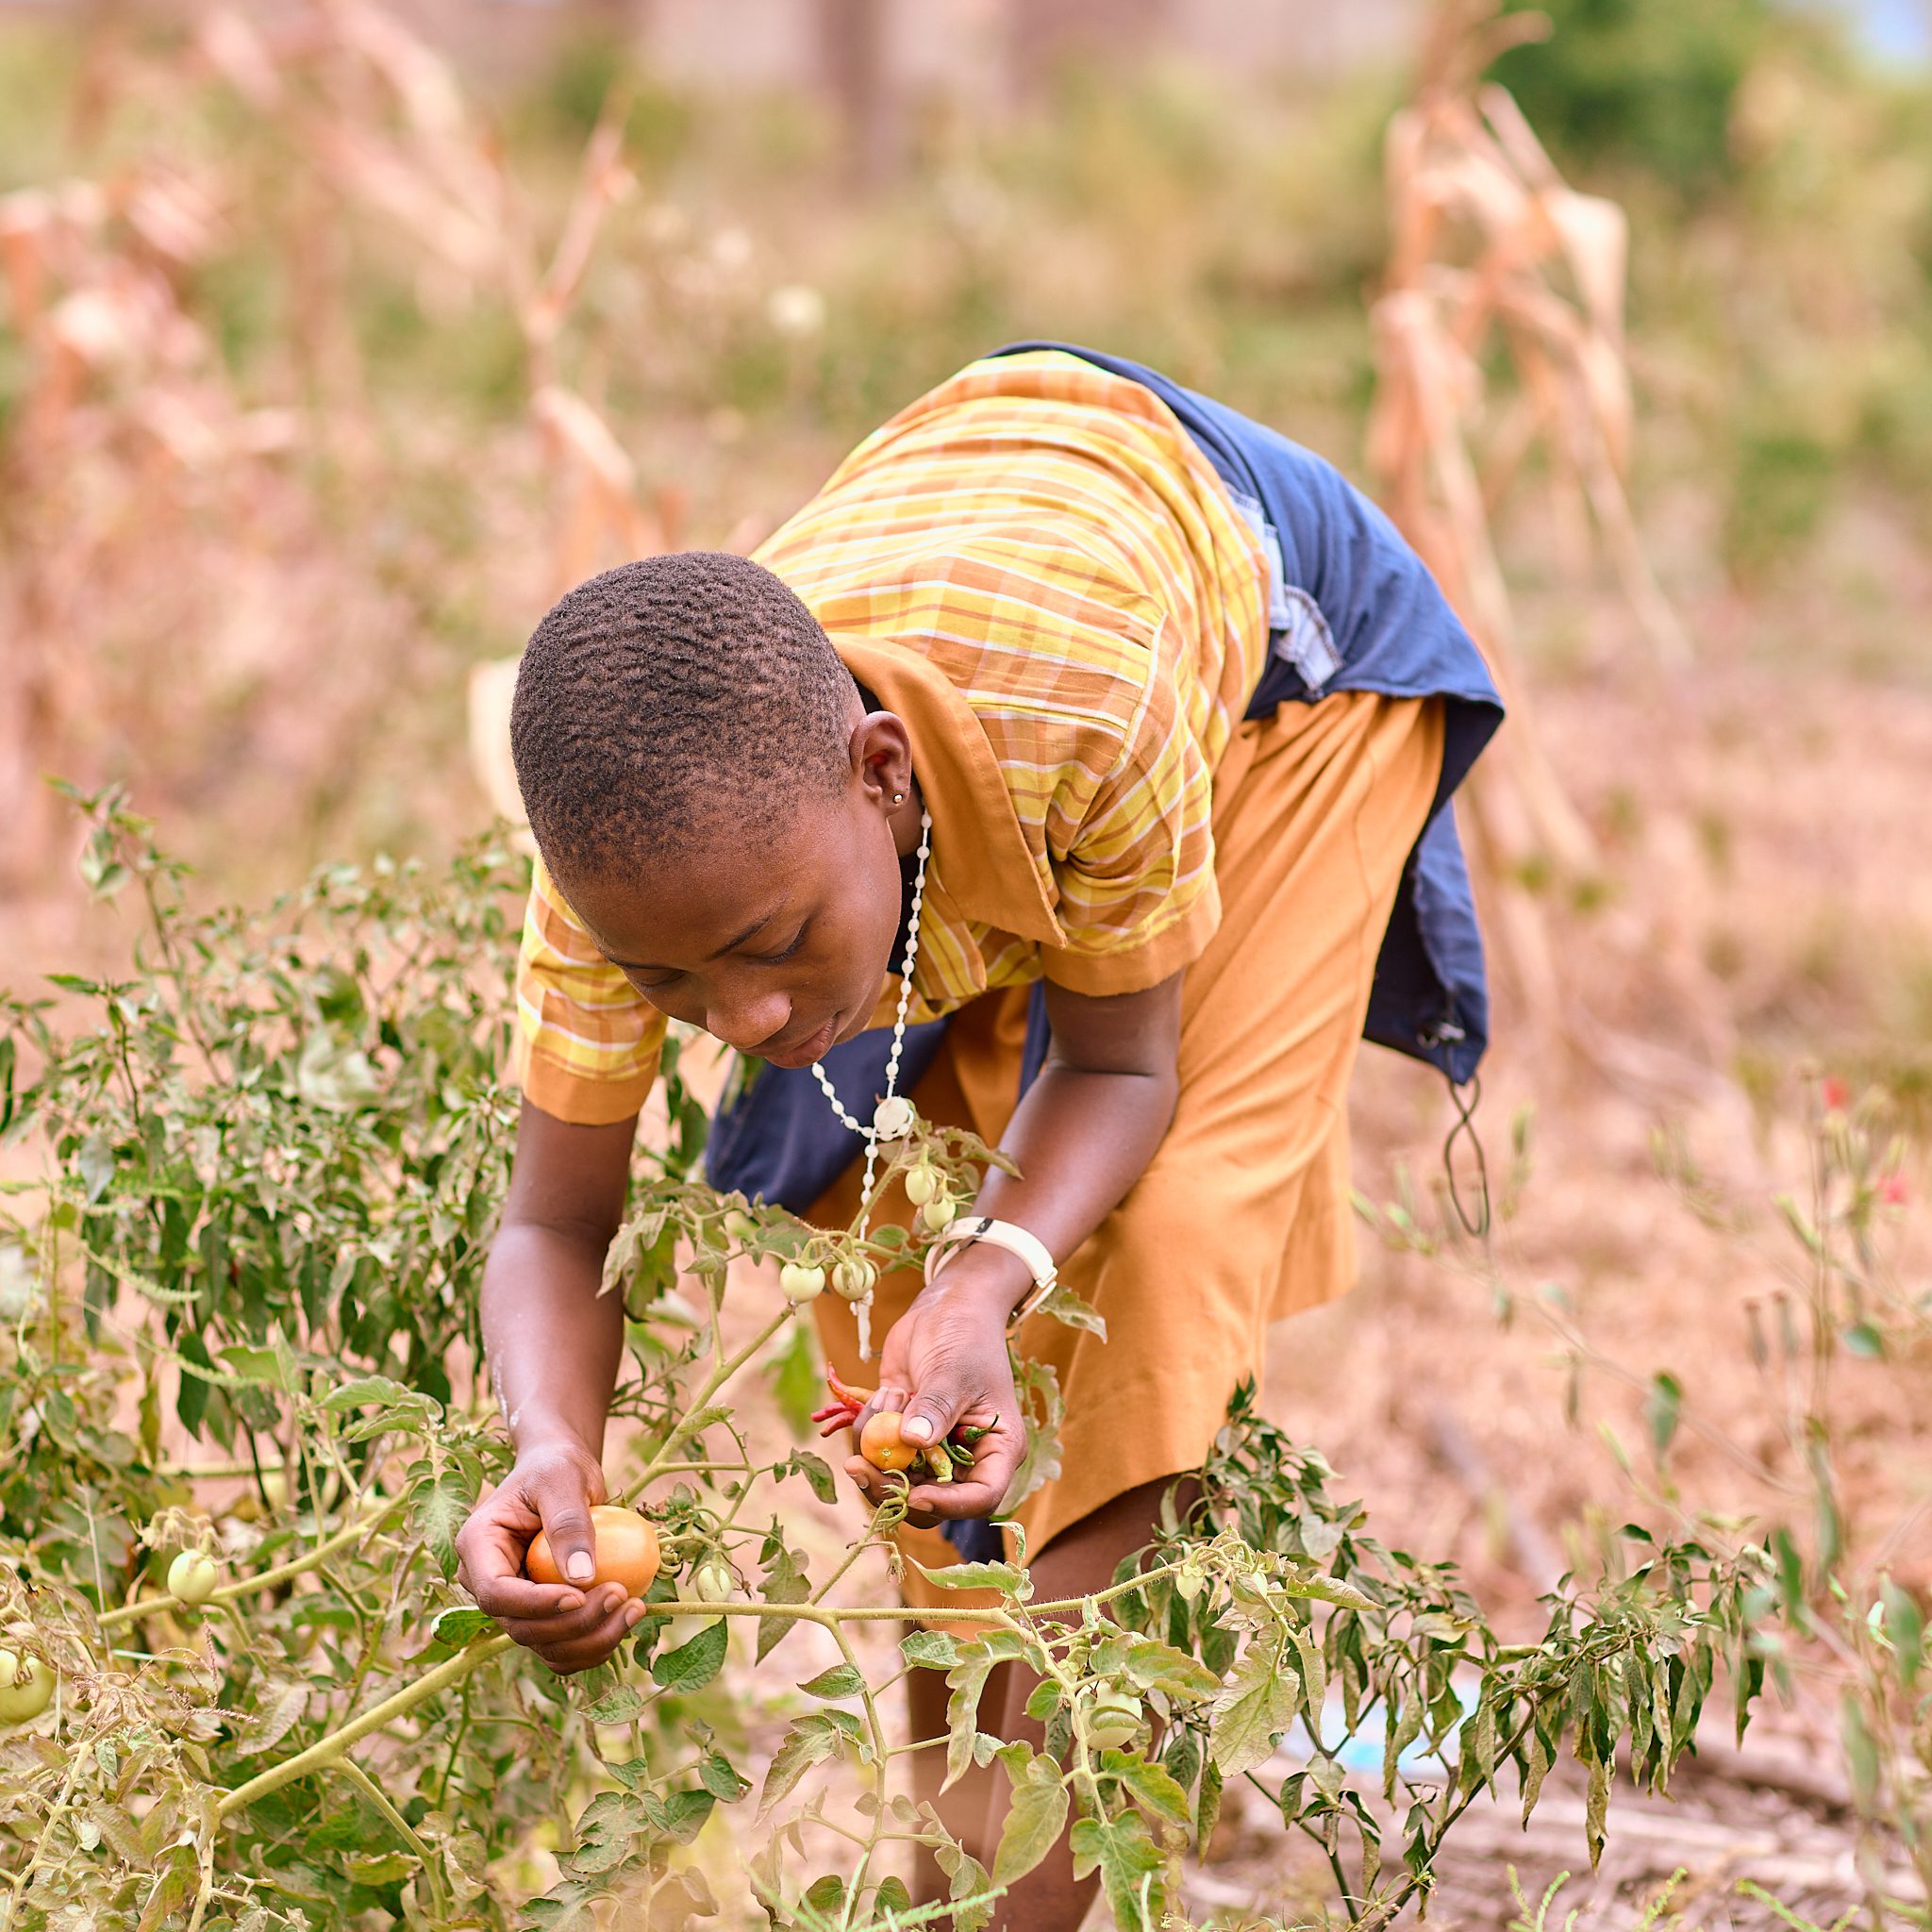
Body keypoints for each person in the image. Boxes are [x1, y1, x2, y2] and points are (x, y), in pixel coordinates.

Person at [453, 342, 1502, 1930]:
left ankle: (1036, 1892)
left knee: (1155, 1258)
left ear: (878, 779)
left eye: (766, 943)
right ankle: (970, 1888)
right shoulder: (643, 868)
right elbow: (552, 1224)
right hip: (969, 704)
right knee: (892, 1291)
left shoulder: (1084, 710)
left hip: (1275, 692)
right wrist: (552, 1448)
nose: (738, 1020)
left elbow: (1120, 1063)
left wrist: (997, 1271)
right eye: (677, 979)